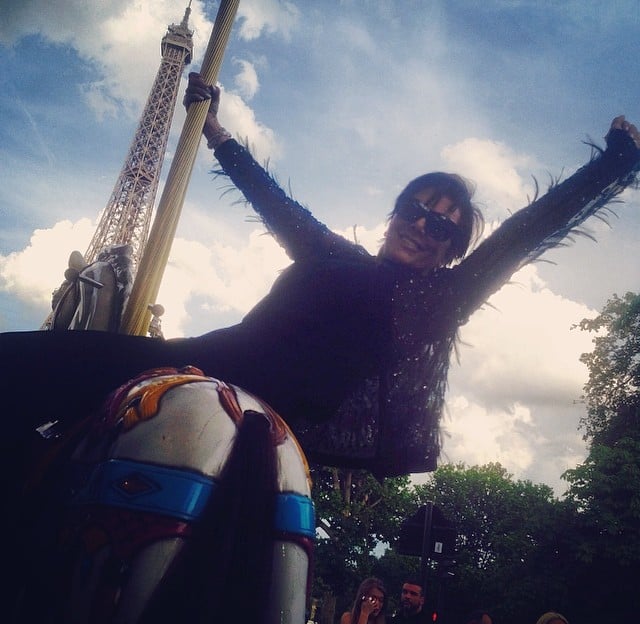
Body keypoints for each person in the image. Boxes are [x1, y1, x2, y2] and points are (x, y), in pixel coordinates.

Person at [1, 73, 639, 479]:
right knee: (30, 364)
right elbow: (276, 203)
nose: (423, 225)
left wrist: (610, 169)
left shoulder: (438, 299)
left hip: (263, 411)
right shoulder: (331, 255)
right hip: (199, 362)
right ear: (395, 216)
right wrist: (218, 132)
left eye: (442, 225)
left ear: (450, 250)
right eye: (415, 210)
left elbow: (521, 236)